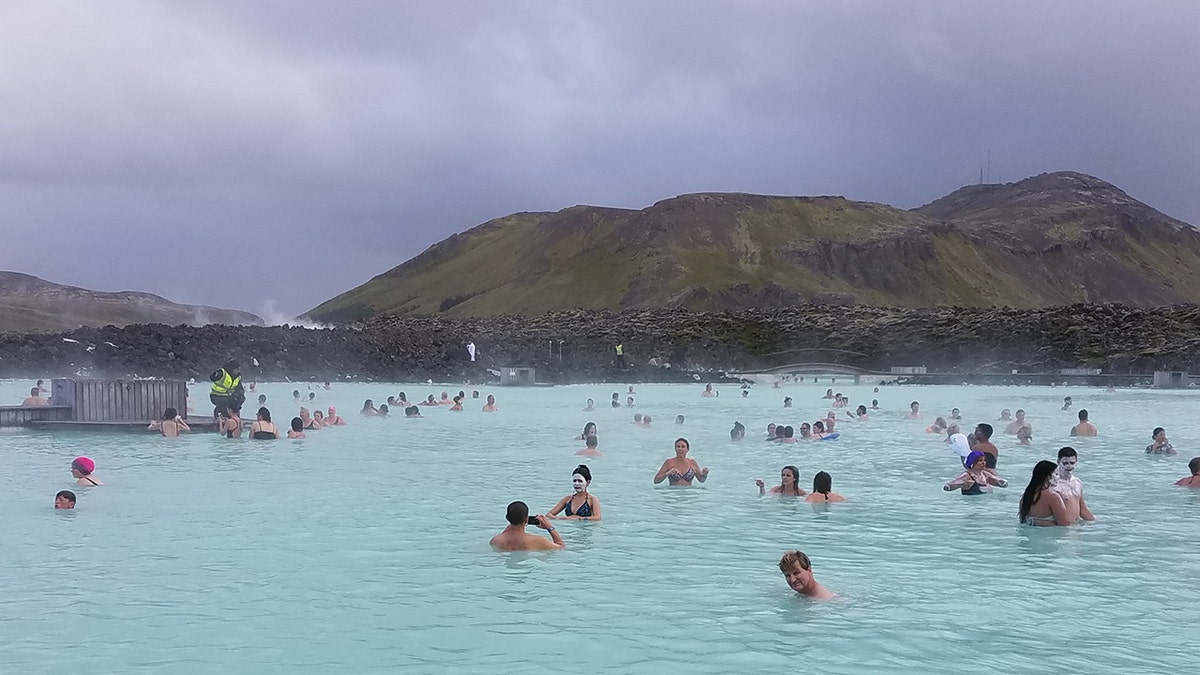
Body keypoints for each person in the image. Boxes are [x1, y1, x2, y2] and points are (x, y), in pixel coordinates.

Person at [489, 501, 565, 551]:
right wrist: (550, 528)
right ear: (526, 520)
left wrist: (505, 532)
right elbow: (561, 547)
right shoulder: (539, 541)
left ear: (507, 518)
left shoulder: (495, 540)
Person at [1018, 460, 1071, 526]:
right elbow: (1065, 525)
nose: (1059, 477)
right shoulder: (1053, 497)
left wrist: (1036, 522)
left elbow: (1023, 522)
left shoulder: (1025, 498)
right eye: (1056, 474)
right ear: (1048, 477)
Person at [1050, 447, 1095, 522]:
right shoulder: (1053, 484)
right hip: (1061, 528)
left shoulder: (1077, 482)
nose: (1069, 466)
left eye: (1072, 463)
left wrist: (1096, 523)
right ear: (1058, 462)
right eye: (1065, 463)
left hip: (1076, 527)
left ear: (1076, 462)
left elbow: (1083, 510)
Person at [943, 451, 1008, 495]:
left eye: (984, 460)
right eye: (980, 461)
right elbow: (948, 487)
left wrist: (1002, 482)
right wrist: (960, 485)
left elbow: (1002, 483)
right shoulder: (966, 476)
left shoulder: (986, 475)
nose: (983, 462)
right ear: (972, 463)